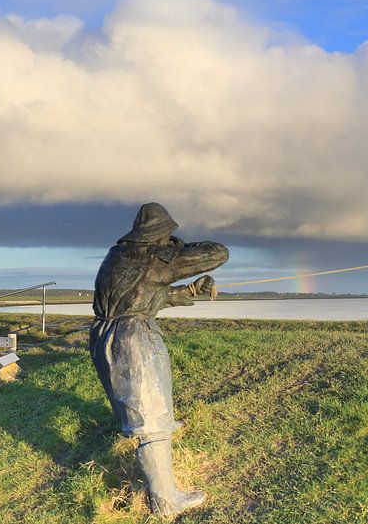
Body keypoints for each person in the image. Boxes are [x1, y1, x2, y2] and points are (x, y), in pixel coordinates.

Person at [89, 202, 228, 516]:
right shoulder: (153, 256)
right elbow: (218, 253)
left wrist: (190, 290)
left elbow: (147, 295)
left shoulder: (118, 255)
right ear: (161, 232)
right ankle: (166, 501)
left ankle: (161, 472)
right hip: (132, 338)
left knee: (143, 411)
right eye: (169, 234)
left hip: (105, 337)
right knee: (150, 421)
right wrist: (177, 246)